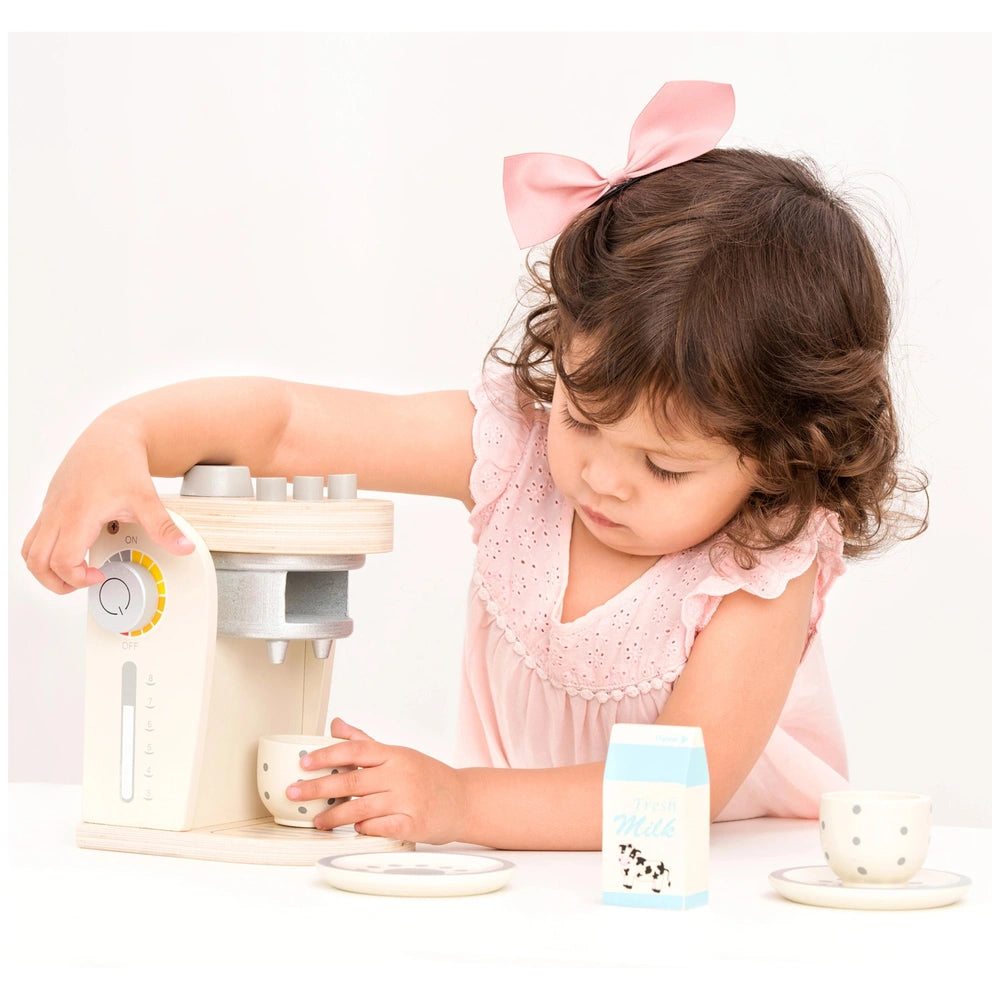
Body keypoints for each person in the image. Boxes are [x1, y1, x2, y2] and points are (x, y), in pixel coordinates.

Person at [21, 81, 927, 851]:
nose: (604, 478)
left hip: (725, 875)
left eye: (664, 467)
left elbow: (678, 789)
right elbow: (290, 425)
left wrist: (456, 801)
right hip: (536, 871)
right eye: (582, 415)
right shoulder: (518, 454)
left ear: (780, 460)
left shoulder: (758, 565)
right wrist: (126, 431)